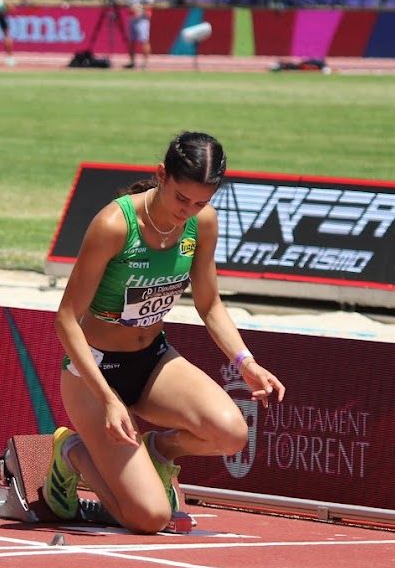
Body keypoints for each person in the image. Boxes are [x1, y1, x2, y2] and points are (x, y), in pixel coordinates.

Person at [44, 132, 286, 534]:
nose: (187, 211)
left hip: (152, 361)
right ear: (161, 176)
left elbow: (209, 305)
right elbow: (66, 319)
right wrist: (108, 399)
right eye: (180, 199)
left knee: (231, 433)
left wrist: (246, 363)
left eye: (200, 203)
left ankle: (158, 451)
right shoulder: (113, 225)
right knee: (150, 518)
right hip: (93, 375)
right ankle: (71, 452)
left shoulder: (201, 224)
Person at [126, 0, 154, 69]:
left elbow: (150, 4)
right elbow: (130, 3)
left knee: (144, 40)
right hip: (133, 18)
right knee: (132, 41)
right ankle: (132, 61)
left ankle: (145, 63)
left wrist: (139, 8)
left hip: (142, 19)